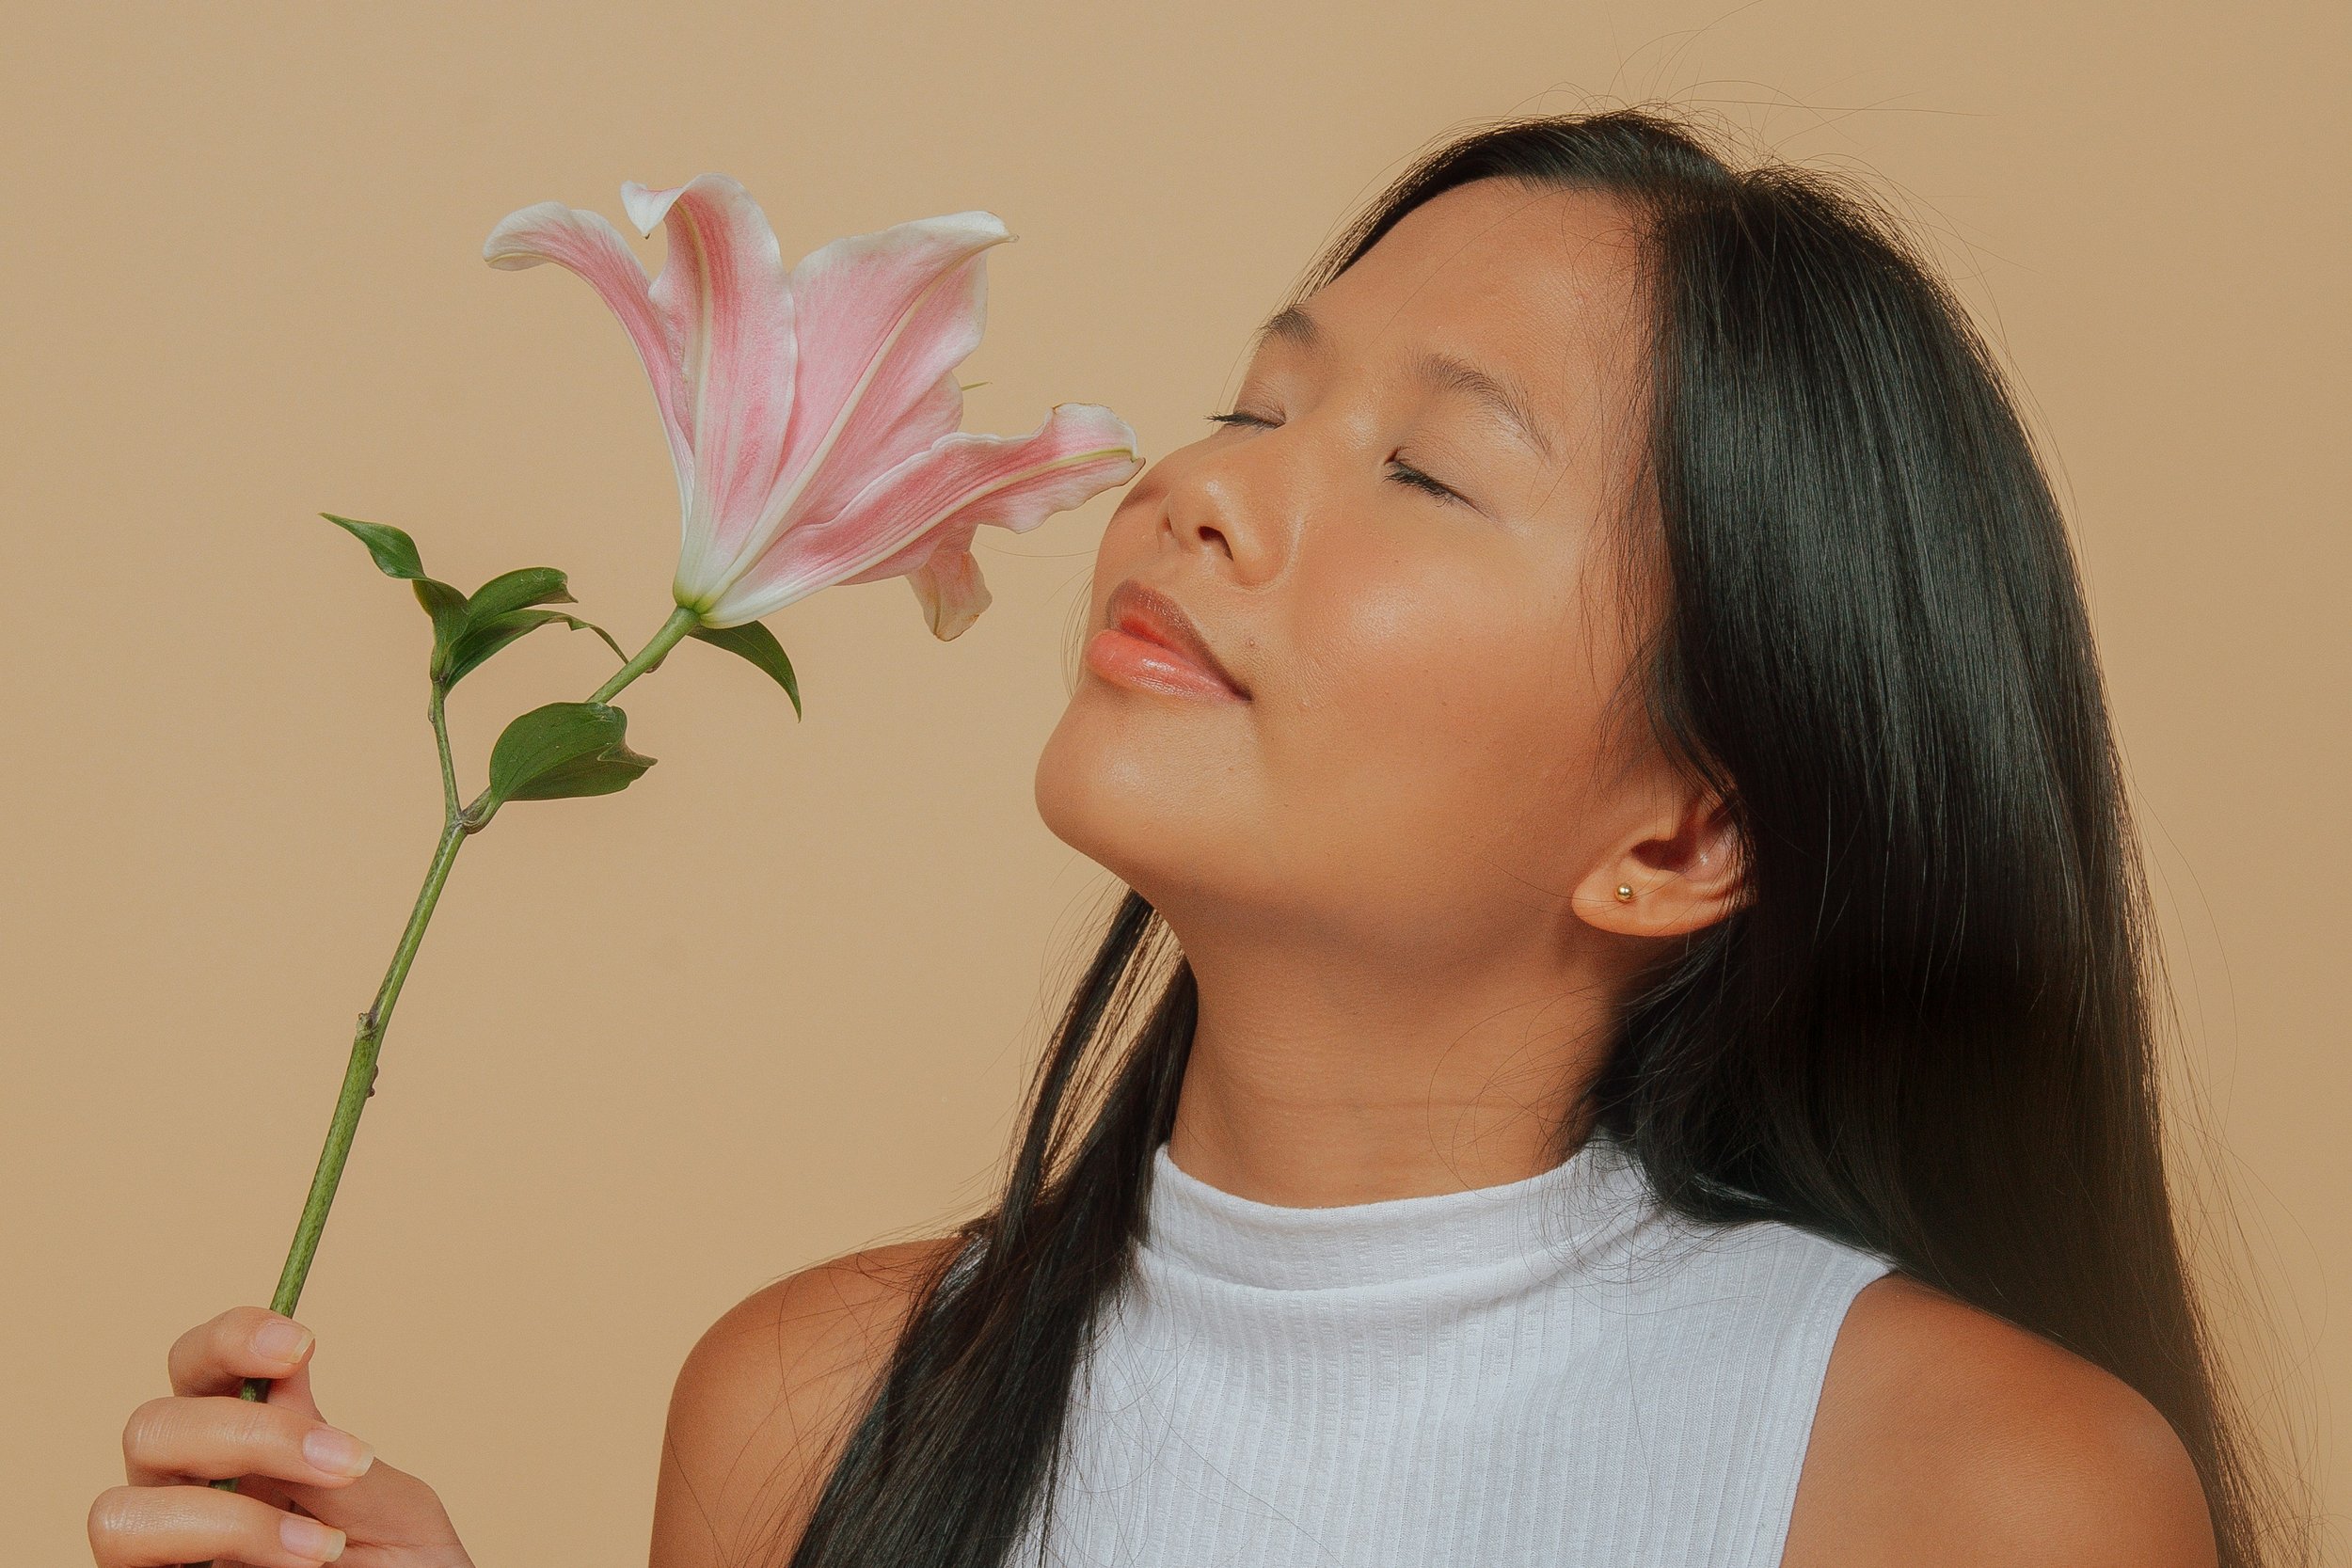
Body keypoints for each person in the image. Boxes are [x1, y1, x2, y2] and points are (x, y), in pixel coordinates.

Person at [87, 107, 2308, 1568]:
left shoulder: (1976, 1495)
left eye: (1422, 472)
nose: (1198, 486)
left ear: (1682, 829)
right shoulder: (806, 1415)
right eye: (1260, 398)